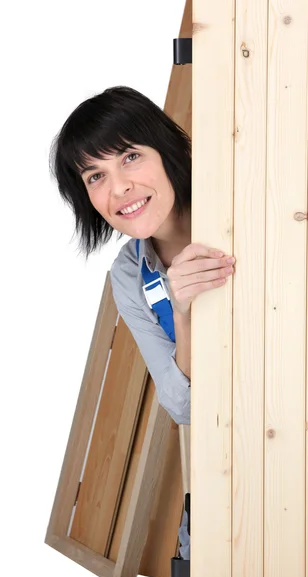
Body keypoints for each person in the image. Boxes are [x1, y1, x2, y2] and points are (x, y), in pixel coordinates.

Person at [50, 86, 235, 425]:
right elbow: (184, 410)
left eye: (130, 157)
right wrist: (184, 314)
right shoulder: (129, 275)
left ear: (165, 150)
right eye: (96, 176)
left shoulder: (237, 205)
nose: (119, 188)